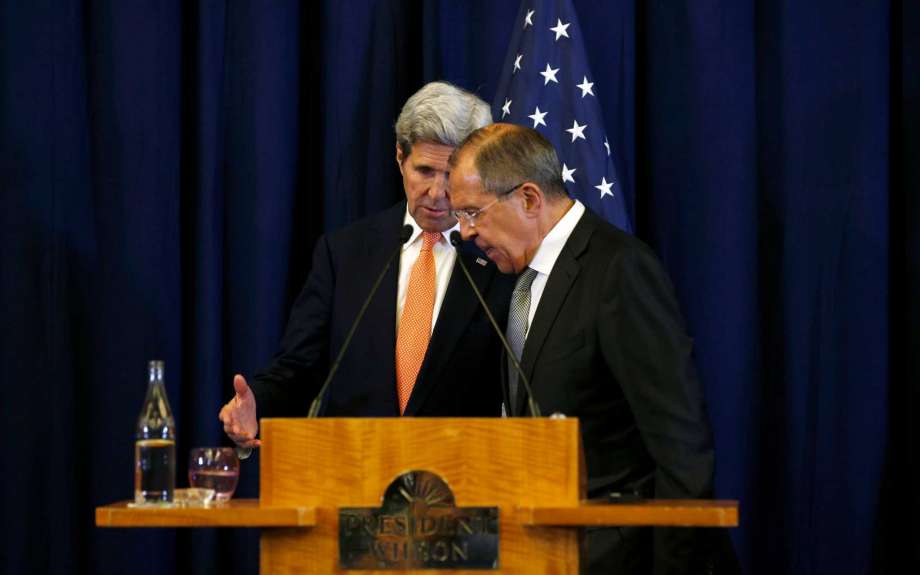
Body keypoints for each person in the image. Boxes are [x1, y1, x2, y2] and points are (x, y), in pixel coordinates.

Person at [447, 123, 727, 574]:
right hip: (542, 554)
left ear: (529, 199)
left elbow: (681, 450)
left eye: (473, 213)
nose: (464, 232)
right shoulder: (518, 282)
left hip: (621, 558)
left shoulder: (619, 271)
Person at [220, 82, 512, 449]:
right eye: (424, 171)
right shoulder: (345, 253)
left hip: (462, 479)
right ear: (399, 157)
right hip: (355, 474)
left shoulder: (502, 258)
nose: (438, 193)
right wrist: (257, 404)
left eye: (451, 175)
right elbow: (299, 368)